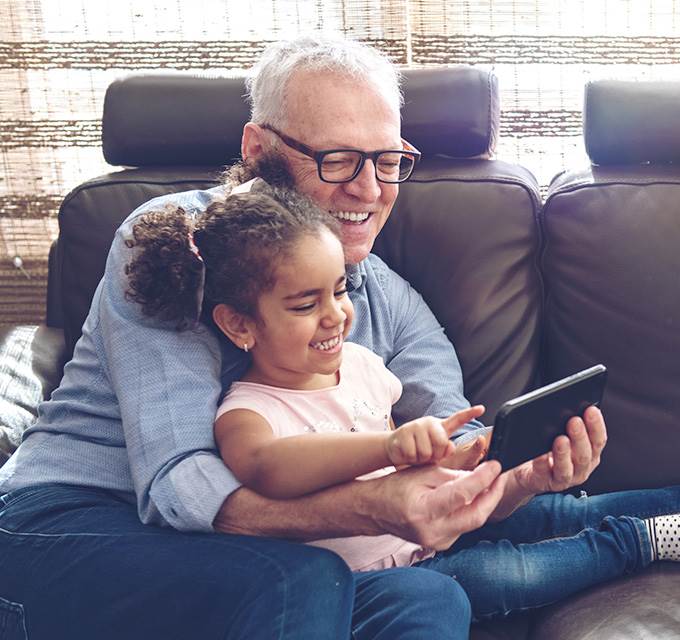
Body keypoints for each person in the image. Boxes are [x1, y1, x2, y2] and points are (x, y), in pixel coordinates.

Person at [0, 33, 629, 638]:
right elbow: (179, 483)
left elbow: (454, 438)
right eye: (337, 160)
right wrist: (375, 502)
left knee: (427, 593)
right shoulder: (172, 246)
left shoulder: (387, 298)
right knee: (301, 580)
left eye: (388, 160)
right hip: (72, 523)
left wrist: (511, 474)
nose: (369, 188)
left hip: (270, 561)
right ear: (256, 147)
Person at [126, 186, 680, 621]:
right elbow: (268, 469)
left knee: (555, 507)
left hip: (427, 532)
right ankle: (639, 542)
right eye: (304, 304)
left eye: (340, 290)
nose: (336, 315)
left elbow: (413, 480)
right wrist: (390, 445)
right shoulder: (246, 411)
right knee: (501, 578)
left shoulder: (364, 366)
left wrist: (470, 465)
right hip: (378, 580)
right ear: (239, 324)